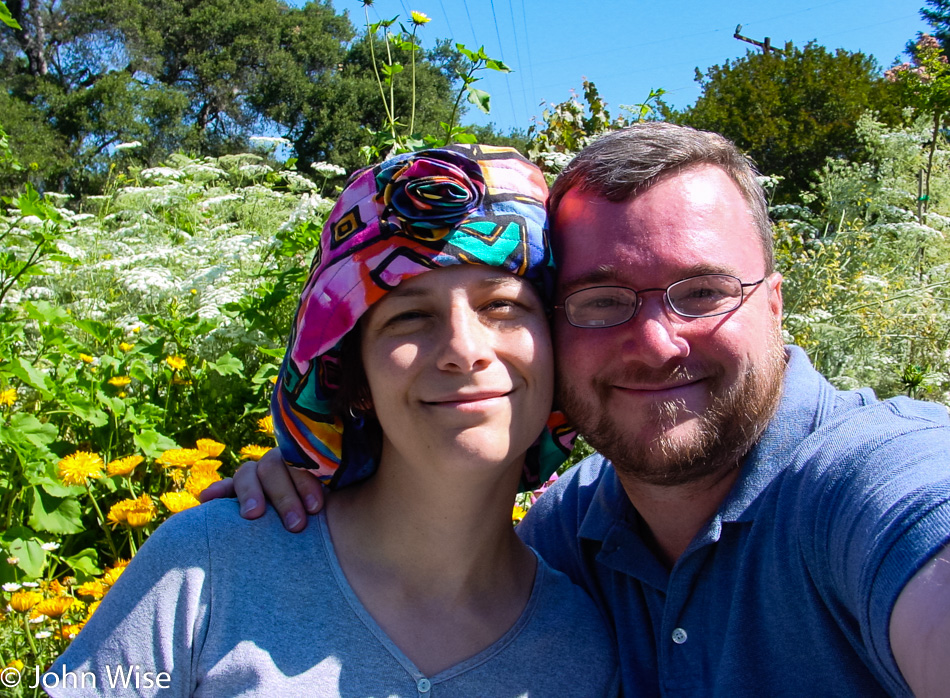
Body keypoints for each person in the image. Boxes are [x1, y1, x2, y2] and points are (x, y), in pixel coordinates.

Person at [214, 122, 950, 697]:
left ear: (776, 304)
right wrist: (301, 483)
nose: (657, 344)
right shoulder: (568, 537)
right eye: (602, 302)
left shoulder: (872, 486)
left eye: (702, 293)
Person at [47, 145, 619, 696]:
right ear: (357, 379)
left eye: (502, 306)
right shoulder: (207, 567)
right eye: (409, 315)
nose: (462, 349)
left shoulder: (586, 647)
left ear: (556, 351)